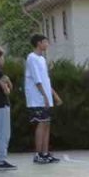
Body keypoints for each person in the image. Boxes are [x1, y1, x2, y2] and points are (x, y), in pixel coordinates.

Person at [24, 34, 61, 164]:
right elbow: (37, 80)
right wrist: (45, 96)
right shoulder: (32, 58)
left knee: (47, 123)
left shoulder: (42, 59)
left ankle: (45, 153)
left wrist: (54, 96)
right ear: (39, 43)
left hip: (45, 98)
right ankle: (38, 154)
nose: (47, 44)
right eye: (45, 42)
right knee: (41, 123)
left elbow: (46, 81)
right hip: (37, 98)